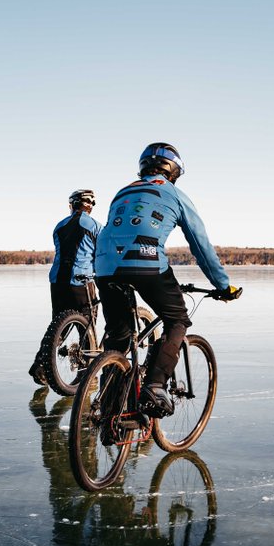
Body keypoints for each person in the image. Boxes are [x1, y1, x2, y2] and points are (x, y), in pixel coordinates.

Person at [94, 143, 240, 415]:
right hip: (147, 263)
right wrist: (223, 286)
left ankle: (108, 412)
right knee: (177, 320)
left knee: (118, 336)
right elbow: (201, 246)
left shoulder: (122, 192)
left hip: (104, 266)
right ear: (173, 172)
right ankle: (156, 386)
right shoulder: (174, 193)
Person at [28, 189, 100, 384]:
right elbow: (100, 254)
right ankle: (87, 373)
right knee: (88, 327)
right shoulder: (94, 226)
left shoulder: (59, 226)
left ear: (72, 205)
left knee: (57, 326)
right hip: (81, 281)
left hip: (58, 282)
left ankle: (40, 366)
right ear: (89, 205)